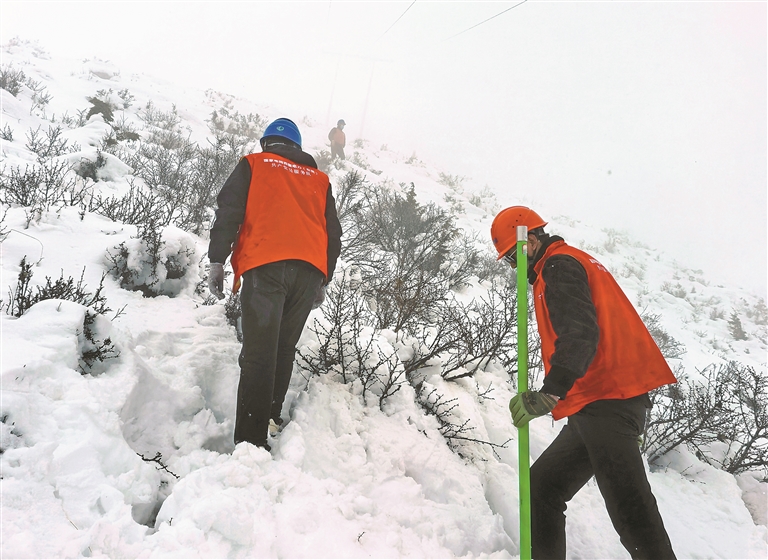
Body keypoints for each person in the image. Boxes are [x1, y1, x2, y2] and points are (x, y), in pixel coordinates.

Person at [490, 206, 677, 560]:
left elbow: (580, 334)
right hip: (595, 401)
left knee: (631, 509)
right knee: (542, 488)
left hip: (608, 398)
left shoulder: (559, 266)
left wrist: (550, 392)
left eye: (513, 259)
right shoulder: (568, 262)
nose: (514, 269)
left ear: (529, 241)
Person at [208, 117, 342, 451]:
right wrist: (323, 278)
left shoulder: (254, 164)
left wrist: (216, 259)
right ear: (297, 148)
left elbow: (229, 211)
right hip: (309, 271)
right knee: (282, 348)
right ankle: (270, 417)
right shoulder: (319, 179)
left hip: (267, 263)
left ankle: (250, 445)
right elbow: (333, 235)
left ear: (266, 143)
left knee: (258, 354)